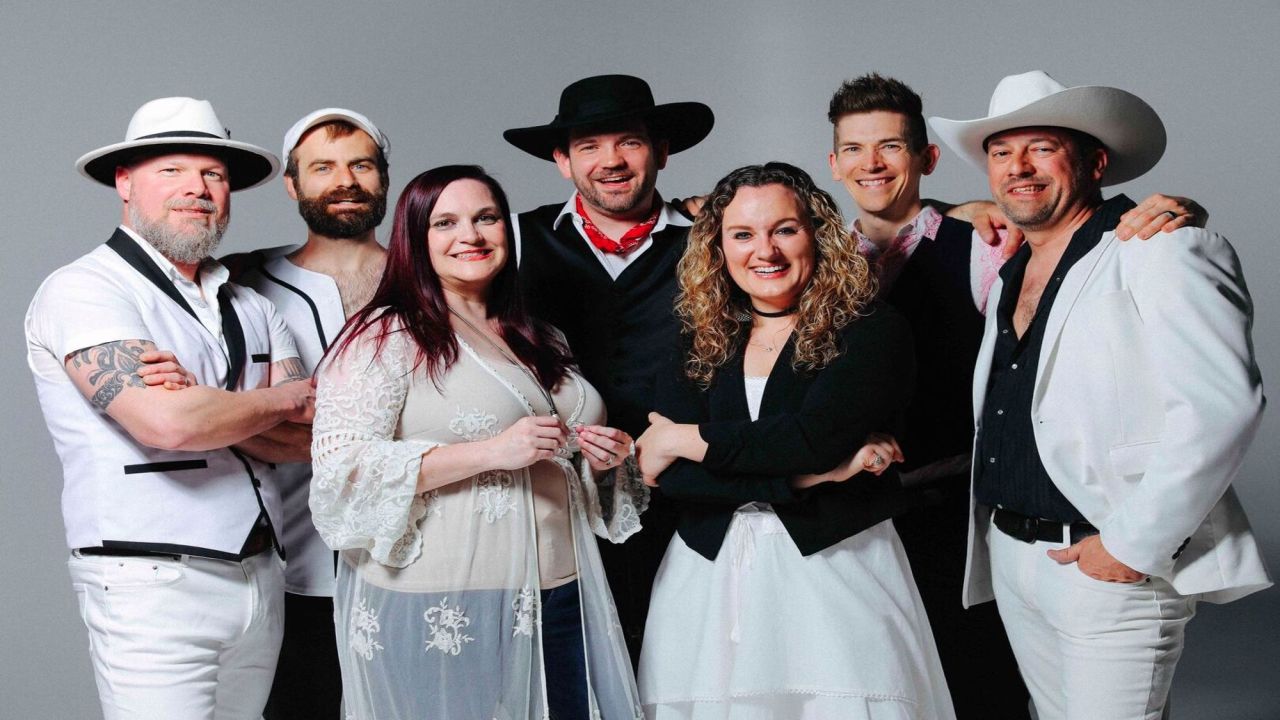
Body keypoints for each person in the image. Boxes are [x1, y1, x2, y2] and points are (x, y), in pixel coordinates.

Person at [824, 73, 1209, 719]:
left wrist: (1175, 212)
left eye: (890, 146)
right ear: (834, 164)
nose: (872, 163)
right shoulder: (814, 256)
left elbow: (1083, 240)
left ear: (928, 158)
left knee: (985, 690)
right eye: (855, 149)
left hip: (955, 508)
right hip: (850, 515)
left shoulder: (989, 242)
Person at [928, 70, 1271, 719]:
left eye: (1040, 148)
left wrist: (1130, 547)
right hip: (1013, 557)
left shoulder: (1159, 245)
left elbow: (1224, 405)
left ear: (1095, 160)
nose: (1017, 167)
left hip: (1109, 561)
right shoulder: (1011, 273)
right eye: (1001, 152)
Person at [309, 164, 648, 720]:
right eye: (445, 223)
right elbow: (341, 473)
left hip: (562, 593)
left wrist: (603, 461)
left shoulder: (540, 334)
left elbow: (562, 465)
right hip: (454, 603)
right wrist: (492, 453)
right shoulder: (386, 336)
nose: (470, 235)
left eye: (486, 217)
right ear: (415, 240)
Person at [24, 96, 315, 719]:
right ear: (125, 182)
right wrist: (279, 397)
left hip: (261, 576)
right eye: (172, 171)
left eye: (213, 174)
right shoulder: (85, 289)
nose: (198, 189)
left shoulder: (253, 305)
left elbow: (312, 436)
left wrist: (211, 406)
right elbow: (166, 422)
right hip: (148, 581)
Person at [634, 162, 954, 719]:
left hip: (836, 570)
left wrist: (682, 438)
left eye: (785, 229)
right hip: (706, 581)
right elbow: (676, 480)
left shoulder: (870, 329)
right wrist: (818, 475)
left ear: (817, 234)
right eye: (743, 234)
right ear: (718, 246)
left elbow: (810, 438)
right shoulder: (697, 339)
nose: (766, 251)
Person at [503, 74, 715, 660]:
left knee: (682, 663)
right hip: (554, 496)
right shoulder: (514, 240)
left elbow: (814, 242)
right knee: (570, 664)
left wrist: (948, 210)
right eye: (589, 146)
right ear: (561, 161)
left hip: (686, 495)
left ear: (662, 151)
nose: (611, 161)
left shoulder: (715, 239)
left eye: (629, 141)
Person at [226, 108, 391, 720]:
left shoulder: (437, 272)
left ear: (384, 179)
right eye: (322, 167)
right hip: (295, 567)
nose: (344, 180)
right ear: (292, 184)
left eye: (361, 165)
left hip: (426, 559)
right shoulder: (240, 284)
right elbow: (229, 420)